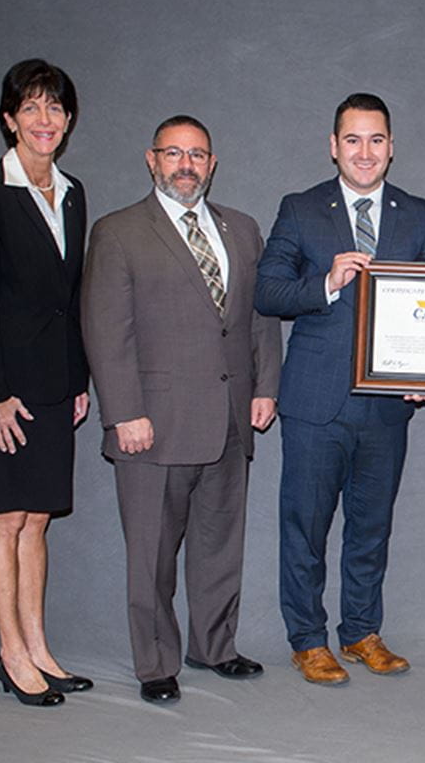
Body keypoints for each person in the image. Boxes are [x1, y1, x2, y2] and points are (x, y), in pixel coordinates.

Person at [82, 115, 281, 705]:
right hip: (152, 424)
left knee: (220, 545)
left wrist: (265, 386)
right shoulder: (118, 231)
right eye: (173, 153)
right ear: (152, 160)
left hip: (228, 418)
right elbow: (104, 330)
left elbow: (258, 318)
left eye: (197, 154)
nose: (185, 164)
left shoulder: (241, 230)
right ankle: (156, 662)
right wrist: (123, 413)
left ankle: (214, 646)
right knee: (151, 553)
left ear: (212, 164)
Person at [255, 93, 425, 685]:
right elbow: (268, 292)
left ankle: (361, 631)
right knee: (305, 525)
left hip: (387, 407)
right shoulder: (301, 208)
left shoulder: (418, 214)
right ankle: (308, 639)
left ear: (392, 147)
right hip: (315, 400)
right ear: (333, 146)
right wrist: (326, 282)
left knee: (372, 525)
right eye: (354, 140)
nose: (366, 152)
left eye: (377, 140)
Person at [0, 59, 91, 707]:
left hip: (53, 383)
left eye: (55, 109)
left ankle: (38, 646)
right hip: (2, 391)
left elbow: (72, 296)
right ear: (10, 119)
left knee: (37, 520)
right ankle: (10, 654)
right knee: (4, 521)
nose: (45, 120)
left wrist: (79, 378)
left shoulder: (72, 192)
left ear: (67, 121)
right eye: (31, 108)